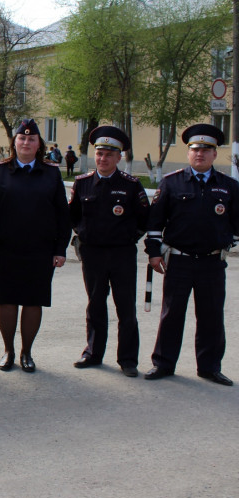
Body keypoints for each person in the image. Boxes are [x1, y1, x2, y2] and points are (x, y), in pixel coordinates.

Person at [144, 123, 238, 387]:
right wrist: (154, 253)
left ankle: (209, 367)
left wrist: (226, 243)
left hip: (212, 262)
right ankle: (163, 363)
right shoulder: (171, 182)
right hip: (179, 261)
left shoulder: (229, 186)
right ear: (188, 153)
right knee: (171, 314)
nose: (200, 154)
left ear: (214, 154)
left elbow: (236, 223)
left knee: (211, 317)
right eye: (195, 149)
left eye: (206, 150)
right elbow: (155, 222)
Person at [0, 119, 71, 372]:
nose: (26, 142)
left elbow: (62, 214)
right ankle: (8, 350)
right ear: (14, 143)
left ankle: (26, 352)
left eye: (31, 139)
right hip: (4, 250)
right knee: (6, 300)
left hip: (40, 250)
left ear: (38, 145)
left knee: (33, 301)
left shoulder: (51, 172)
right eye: (21, 138)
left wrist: (60, 249)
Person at [69, 126, 149, 377]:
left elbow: (144, 219)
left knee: (125, 307)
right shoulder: (82, 184)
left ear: (118, 157)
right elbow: (73, 216)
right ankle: (93, 353)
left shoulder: (131, 185)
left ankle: (128, 359)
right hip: (92, 254)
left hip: (122, 254)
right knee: (95, 305)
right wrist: (83, 235)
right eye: (99, 153)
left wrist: (128, 238)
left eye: (109, 155)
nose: (103, 158)